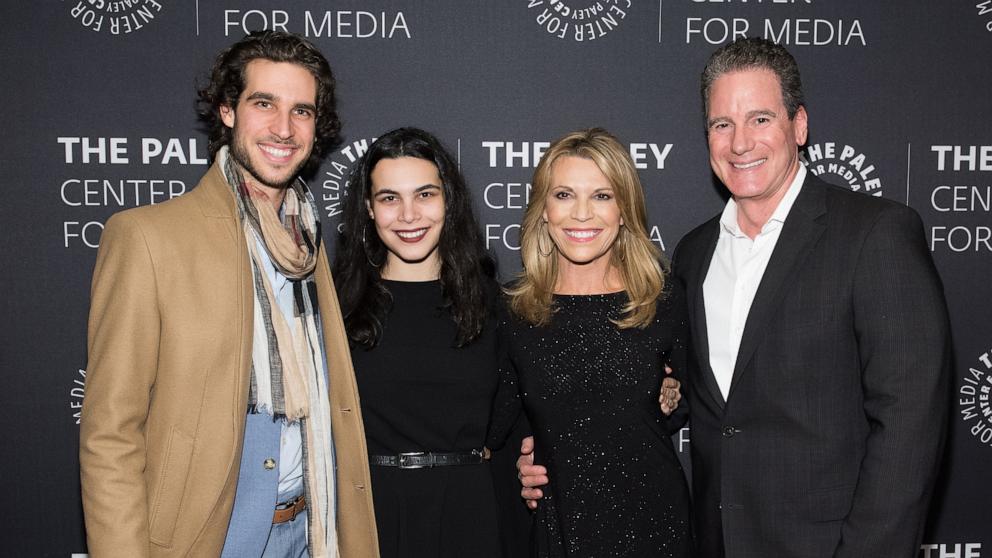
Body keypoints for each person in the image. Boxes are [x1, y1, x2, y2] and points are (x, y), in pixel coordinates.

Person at [519, 38, 952, 558]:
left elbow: (908, 427)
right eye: (723, 124)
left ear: (800, 126)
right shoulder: (693, 255)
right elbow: (665, 394)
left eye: (761, 119)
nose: (740, 142)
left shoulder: (874, 234)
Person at [79, 31, 379, 558]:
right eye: (264, 104)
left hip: (312, 529)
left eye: (302, 111)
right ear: (227, 111)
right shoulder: (148, 237)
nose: (284, 129)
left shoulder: (305, 240)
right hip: (211, 536)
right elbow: (111, 435)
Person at [490, 128, 693, 557]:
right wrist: (520, 466)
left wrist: (672, 395)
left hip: (656, 526)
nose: (582, 214)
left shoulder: (663, 301)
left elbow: (690, 403)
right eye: (564, 195)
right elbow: (500, 428)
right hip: (560, 526)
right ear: (543, 210)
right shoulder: (514, 311)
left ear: (624, 210)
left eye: (601, 196)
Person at [333, 127, 503, 558]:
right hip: (369, 515)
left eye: (425, 194)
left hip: (471, 514)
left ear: (449, 200)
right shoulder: (335, 306)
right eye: (390, 198)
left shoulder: (494, 303)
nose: (409, 215)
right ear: (369, 209)